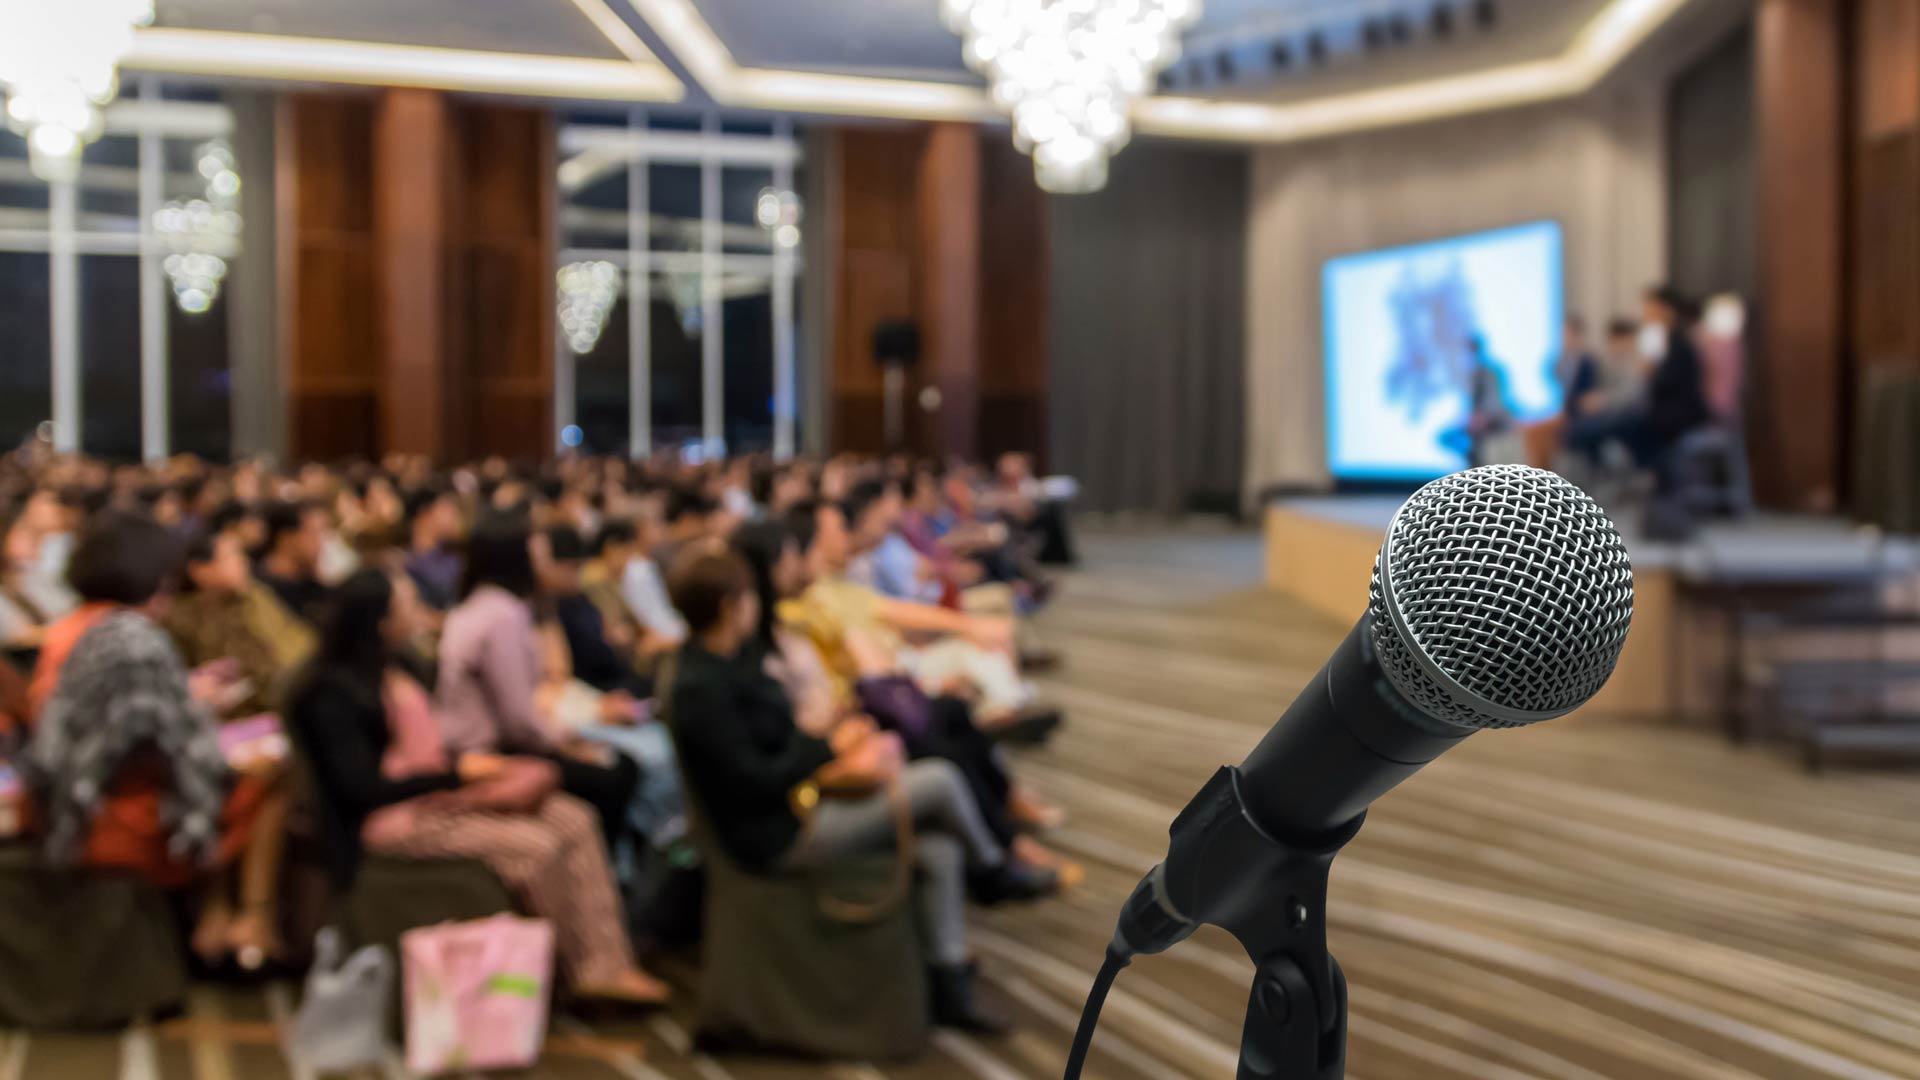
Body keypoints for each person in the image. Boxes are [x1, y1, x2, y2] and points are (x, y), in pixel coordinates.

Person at [662, 548, 1050, 1034]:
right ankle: (994, 870)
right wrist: (826, 747)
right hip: (777, 834)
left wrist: (830, 738)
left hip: (794, 806)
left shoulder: (727, 661)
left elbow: (776, 744)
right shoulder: (701, 686)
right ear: (729, 607)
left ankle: (949, 982)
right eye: (746, 598)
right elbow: (755, 779)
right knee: (940, 780)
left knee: (940, 850)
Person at [288, 568, 669, 1005]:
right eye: (408, 604)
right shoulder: (332, 692)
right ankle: (576, 969)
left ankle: (608, 960)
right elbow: (361, 790)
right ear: (381, 620)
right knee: (537, 847)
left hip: (433, 796)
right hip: (394, 819)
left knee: (574, 817)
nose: (419, 612)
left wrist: (466, 773)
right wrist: (458, 776)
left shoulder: (399, 666)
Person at [22, 511, 289, 968]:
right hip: (110, 821)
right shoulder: (134, 638)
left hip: (69, 805)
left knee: (217, 772)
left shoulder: (73, 628)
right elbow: (175, 752)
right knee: (263, 775)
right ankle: (249, 920)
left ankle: (218, 916)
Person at [437, 512, 640, 851]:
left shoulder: (476, 604)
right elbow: (519, 721)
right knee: (617, 772)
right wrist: (565, 742)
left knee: (613, 758)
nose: (542, 559)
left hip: (478, 742)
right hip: (489, 752)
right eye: (537, 551)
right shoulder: (502, 615)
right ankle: (613, 871)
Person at [165, 527, 317, 717]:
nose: (243, 562)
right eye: (231, 557)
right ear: (200, 570)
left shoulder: (256, 593)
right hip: (243, 715)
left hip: (294, 693)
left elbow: (293, 634)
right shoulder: (180, 618)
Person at [255, 500, 332, 623]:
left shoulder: (316, 590)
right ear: (286, 539)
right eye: (313, 533)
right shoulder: (258, 590)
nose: (321, 543)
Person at [402, 486, 464, 612]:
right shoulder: (403, 561)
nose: (455, 516)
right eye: (447, 509)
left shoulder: (455, 557)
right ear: (425, 513)